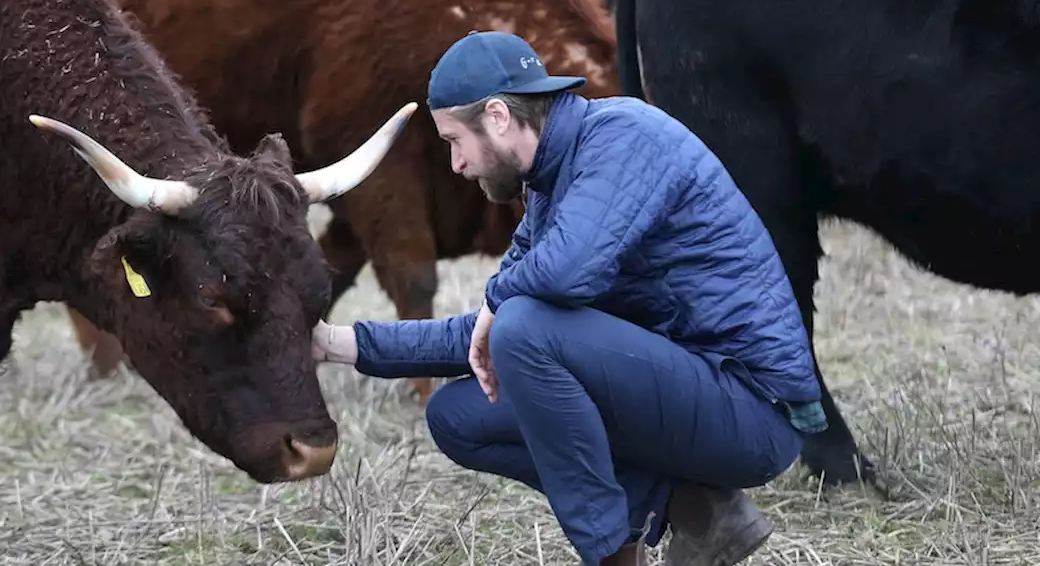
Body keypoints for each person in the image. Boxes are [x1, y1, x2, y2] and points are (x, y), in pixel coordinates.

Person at [311, 30, 827, 566]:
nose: (456, 166)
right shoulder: (548, 189)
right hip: (681, 396)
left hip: (749, 411)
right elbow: (489, 328)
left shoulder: (624, 136)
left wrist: (499, 302)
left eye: (453, 142)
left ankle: (609, 555)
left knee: (523, 328)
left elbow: (561, 277)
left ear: (497, 117)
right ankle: (699, 508)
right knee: (458, 415)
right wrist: (338, 345)